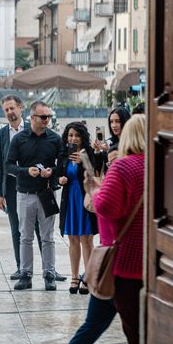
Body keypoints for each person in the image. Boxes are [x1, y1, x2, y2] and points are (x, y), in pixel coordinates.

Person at [53, 114, 145, 344]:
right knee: (137, 330)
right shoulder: (158, 167)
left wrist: (94, 189)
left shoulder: (123, 167)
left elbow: (106, 207)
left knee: (91, 328)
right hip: (146, 263)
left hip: (119, 266)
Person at [0, 95, 66, 282]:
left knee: (46, 234)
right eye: (6, 110)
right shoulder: (7, 136)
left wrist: (53, 172)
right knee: (20, 232)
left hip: (44, 190)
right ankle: (23, 271)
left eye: (12, 108)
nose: (10, 112)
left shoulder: (49, 136)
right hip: (18, 189)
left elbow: (62, 162)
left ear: (21, 109)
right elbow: (1, 165)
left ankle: (49, 271)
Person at [57, 122, 99, 294]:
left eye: (76, 135)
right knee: (73, 239)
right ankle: (74, 276)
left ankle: (87, 277)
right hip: (70, 200)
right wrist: (60, 179)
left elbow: (95, 174)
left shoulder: (88, 153)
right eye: (70, 135)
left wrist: (84, 161)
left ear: (82, 137)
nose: (73, 138)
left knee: (86, 240)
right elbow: (58, 173)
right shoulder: (64, 154)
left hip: (85, 199)